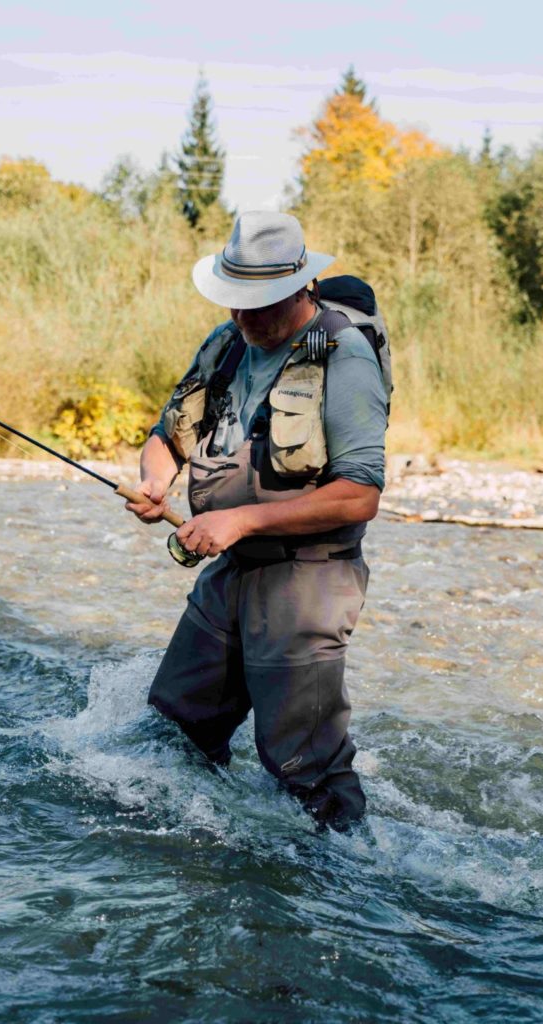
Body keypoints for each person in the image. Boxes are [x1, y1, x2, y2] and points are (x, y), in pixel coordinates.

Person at [126, 211, 387, 830]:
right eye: (235, 302)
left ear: (302, 289)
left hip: (306, 584)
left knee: (306, 770)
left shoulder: (344, 359)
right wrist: (153, 481)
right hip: (229, 573)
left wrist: (239, 520)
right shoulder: (225, 343)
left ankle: (349, 888)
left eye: (259, 305)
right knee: (174, 733)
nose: (244, 319)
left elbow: (359, 495)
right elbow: (168, 435)